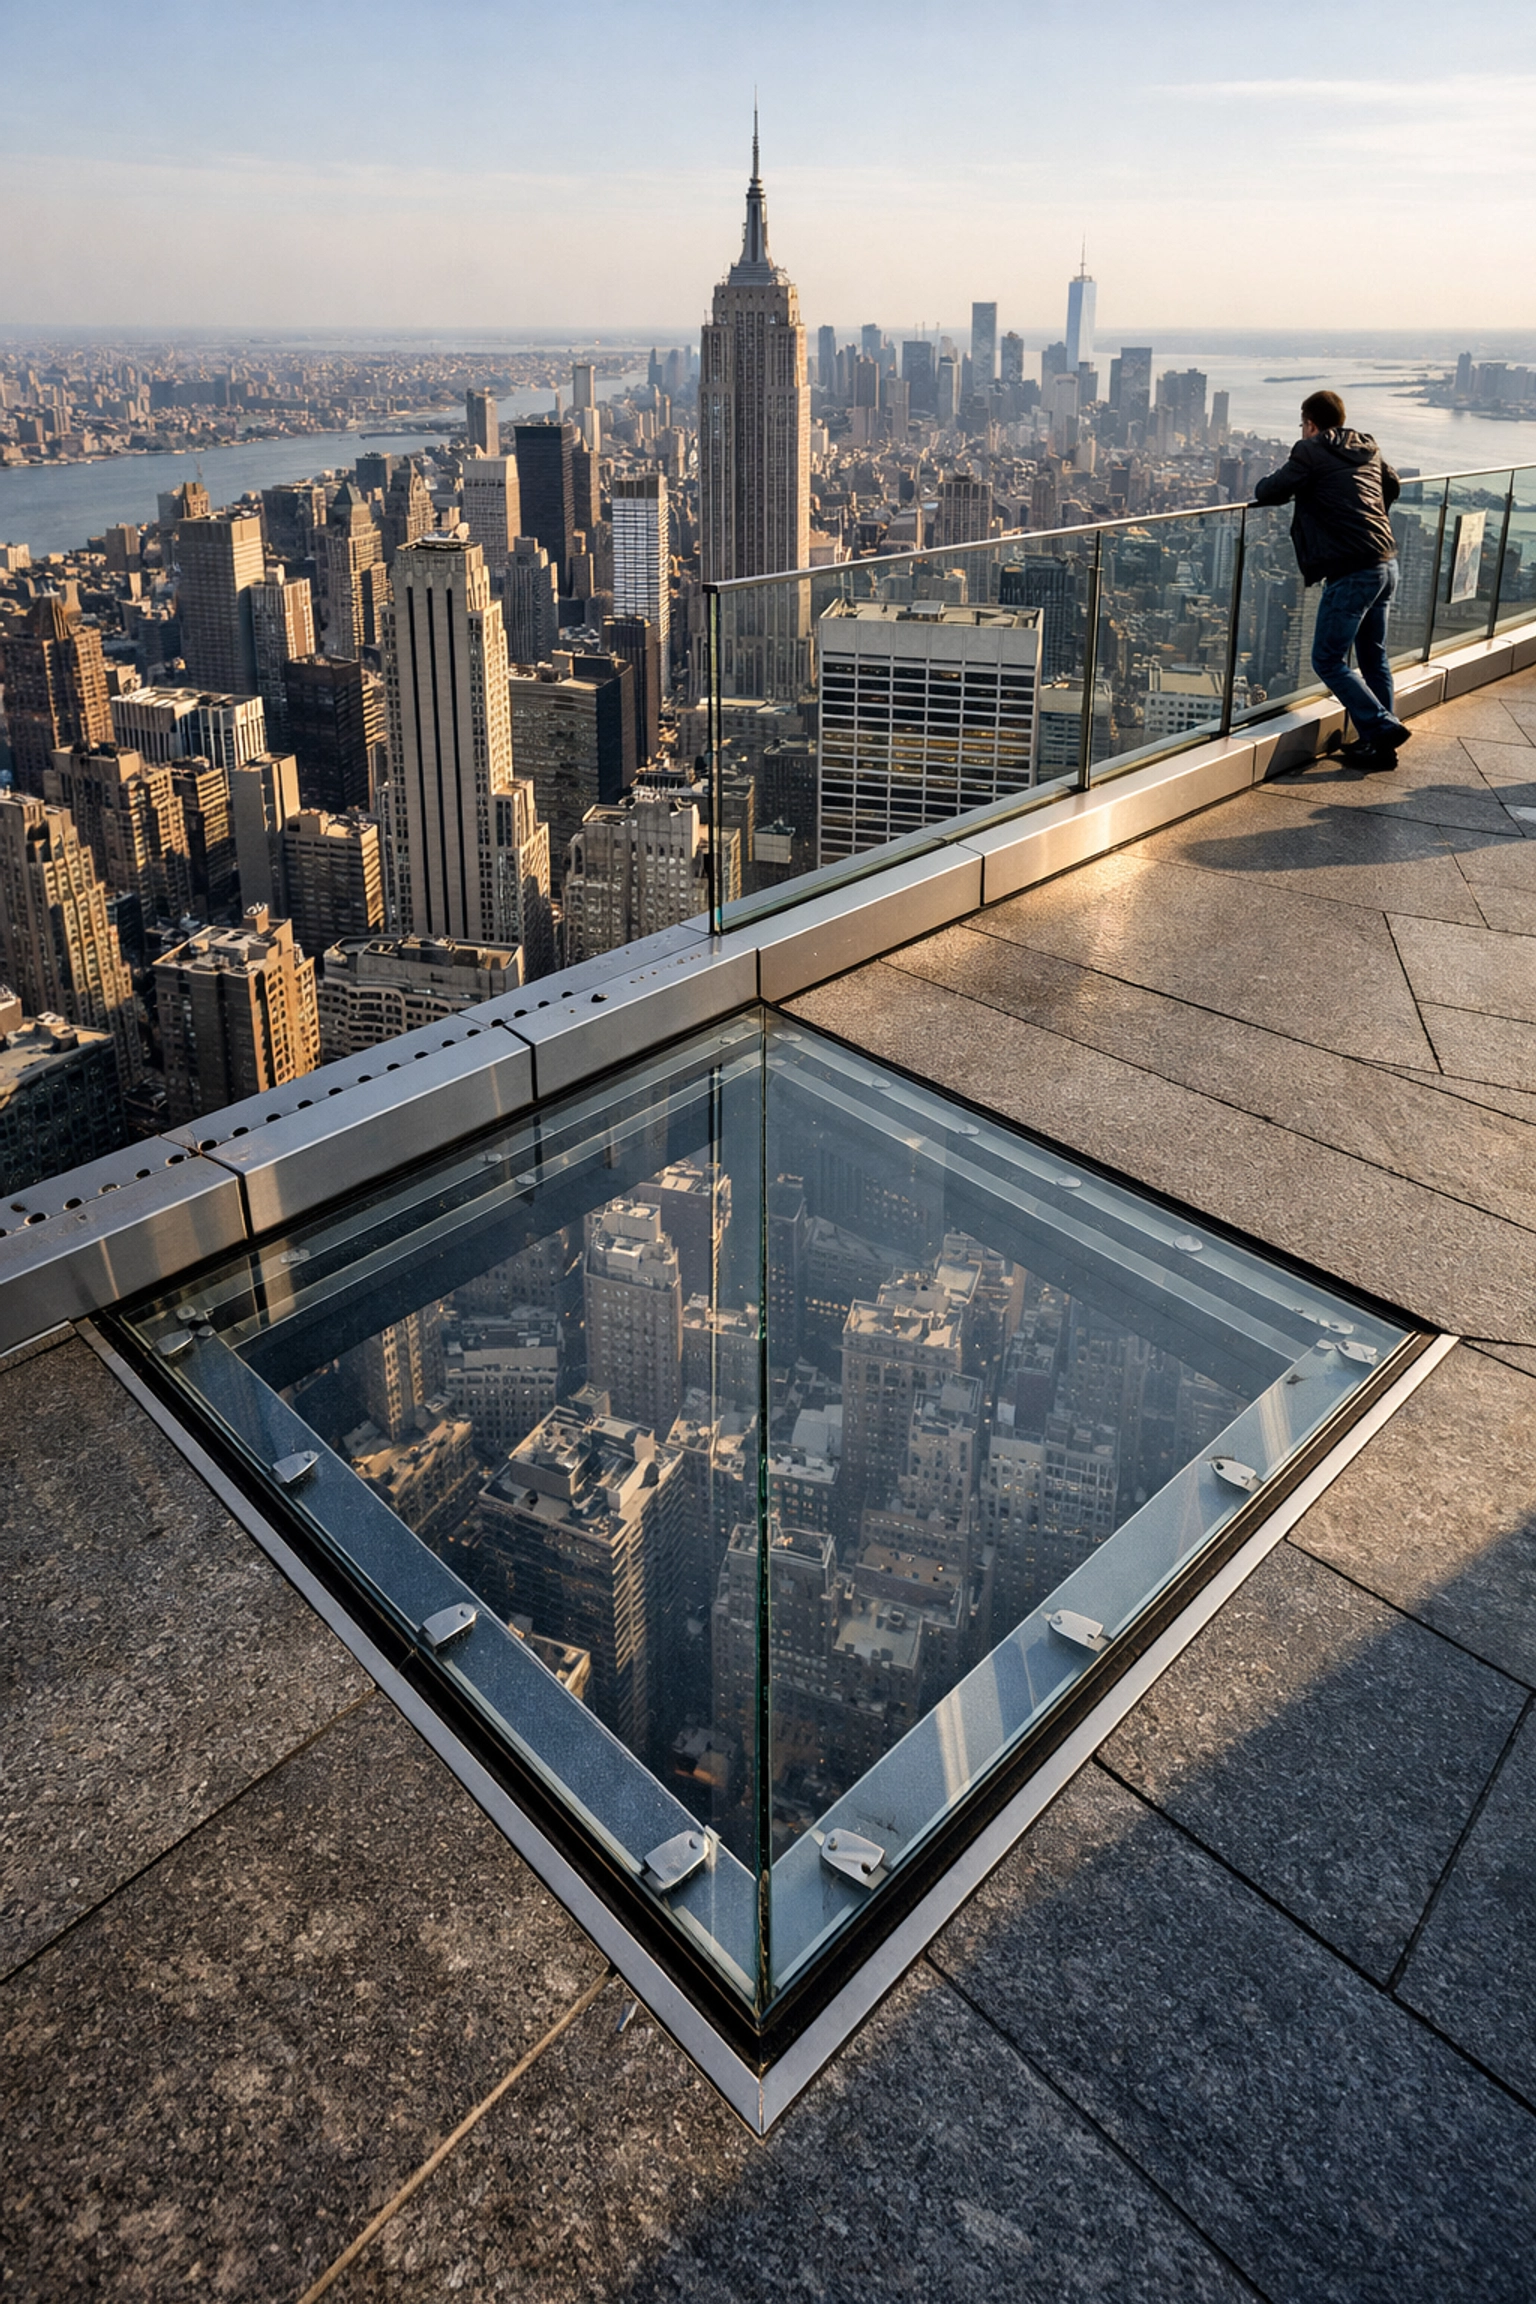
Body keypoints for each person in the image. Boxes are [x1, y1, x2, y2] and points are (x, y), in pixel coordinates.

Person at [1254, 391, 1408, 771]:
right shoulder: (1367, 446)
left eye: (1302, 425)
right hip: (1386, 562)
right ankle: (1380, 747)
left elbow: (1269, 490)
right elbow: (1393, 486)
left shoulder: (1309, 450)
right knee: (1374, 657)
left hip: (1353, 570)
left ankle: (1382, 726)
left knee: (1327, 658)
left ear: (1310, 423)